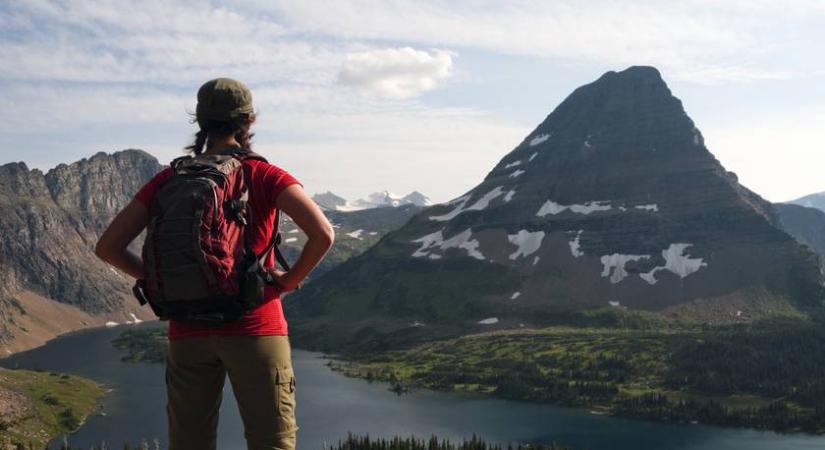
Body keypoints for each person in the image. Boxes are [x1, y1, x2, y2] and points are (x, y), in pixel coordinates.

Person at [95, 77, 334, 450]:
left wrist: (157, 278)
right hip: (256, 326)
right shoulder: (265, 175)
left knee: (190, 442)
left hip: (187, 329)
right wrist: (284, 283)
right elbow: (323, 235)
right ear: (249, 121)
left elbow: (108, 247)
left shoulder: (169, 179)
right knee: (271, 442)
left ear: (200, 122)